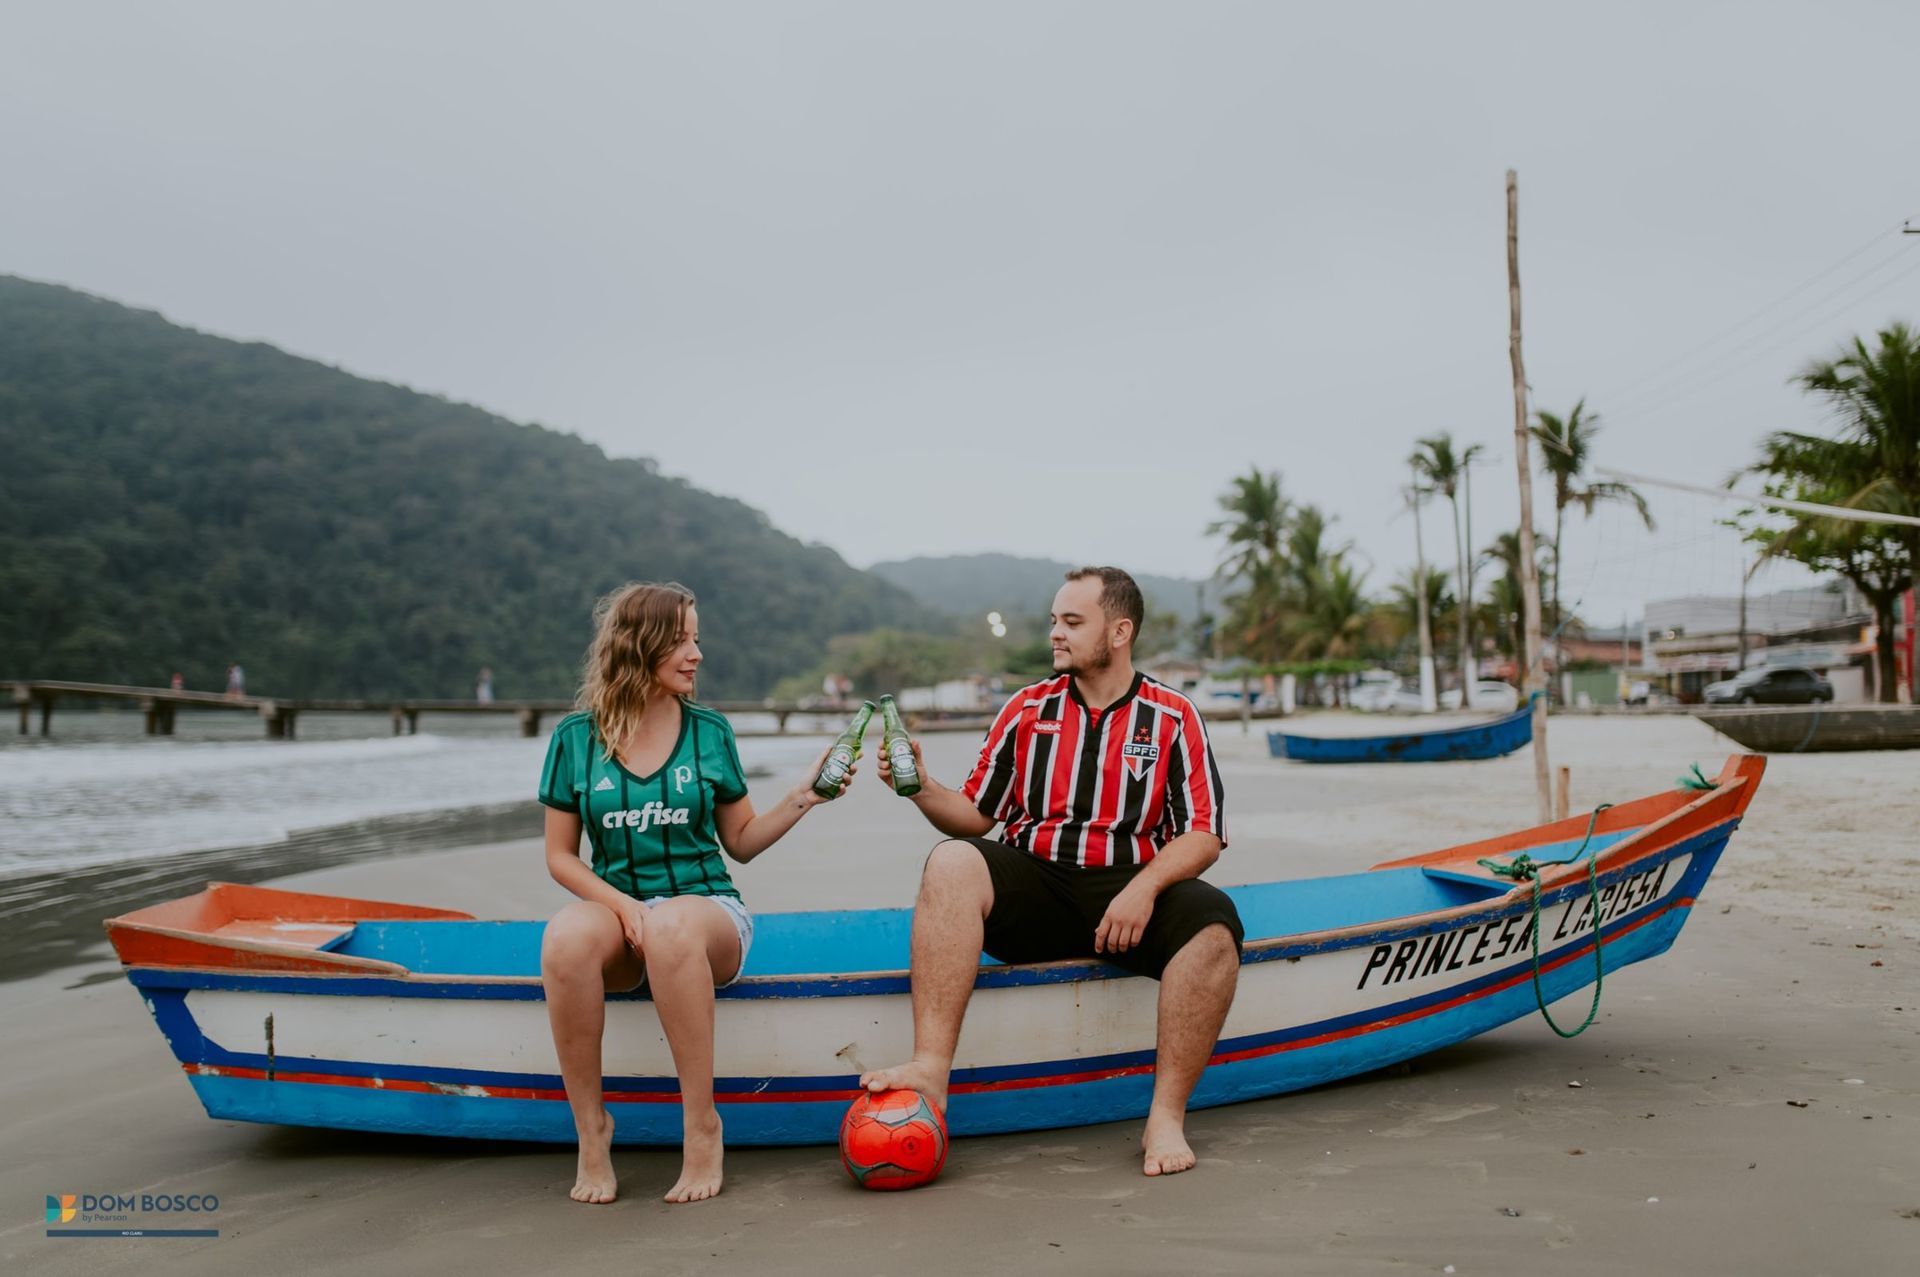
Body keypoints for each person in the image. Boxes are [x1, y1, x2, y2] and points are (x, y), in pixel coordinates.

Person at [862, 566, 1240, 1177]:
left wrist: (1144, 889)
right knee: (951, 861)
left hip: (1126, 895)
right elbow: (974, 815)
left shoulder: (1172, 716)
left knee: (1215, 925)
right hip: (1036, 885)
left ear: (1119, 632)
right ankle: (931, 1068)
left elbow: (1203, 831)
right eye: (1054, 621)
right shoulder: (1026, 708)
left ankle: (1165, 1116)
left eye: (1072, 622)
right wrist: (920, 787)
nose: (1055, 634)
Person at [537, 581, 853, 1205]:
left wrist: (804, 797)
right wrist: (623, 907)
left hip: (707, 916)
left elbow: (741, 841)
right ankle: (592, 1132)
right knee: (564, 939)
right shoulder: (575, 738)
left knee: (672, 926)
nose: (696, 654)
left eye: (696, 639)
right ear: (640, 644)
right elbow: (559, 857)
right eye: (681, 640)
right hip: (621, 915)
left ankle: (701, 1125)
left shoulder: (709, 731)